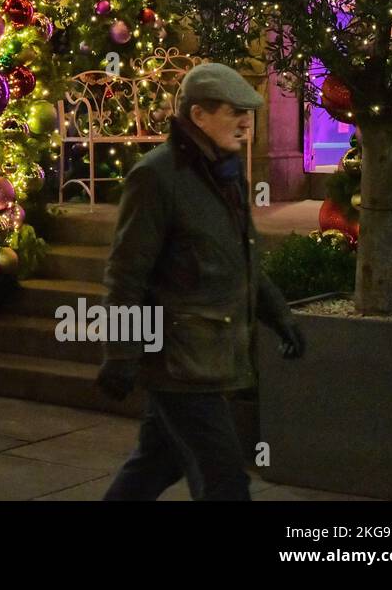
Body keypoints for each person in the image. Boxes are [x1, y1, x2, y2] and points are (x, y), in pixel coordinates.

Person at [96, 62, 305, 501]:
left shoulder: (226, 174)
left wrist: (279, 316)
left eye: (249, 113)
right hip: (179, 361)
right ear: (198, 116)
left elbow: (243, 260)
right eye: (234, 112)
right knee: (226, 483)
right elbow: (126, 274)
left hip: (210, 353)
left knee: (158, 461)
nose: (247, 122)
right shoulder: (156, 176)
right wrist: (121, 353)